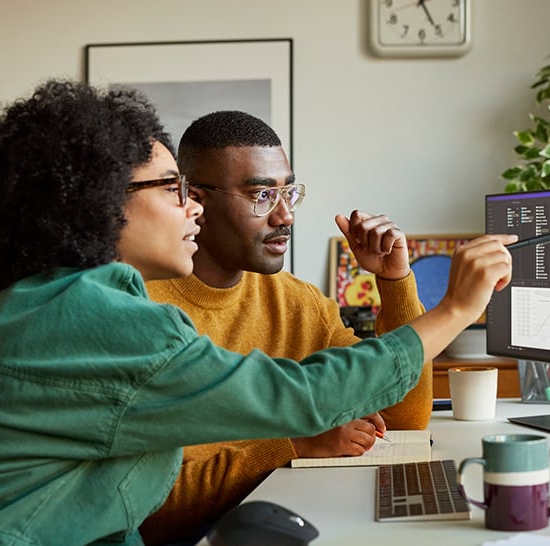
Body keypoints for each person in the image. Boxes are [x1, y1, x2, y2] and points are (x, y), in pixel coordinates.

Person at [0, 79, 515, 545]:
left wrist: (397, 284)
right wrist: (458, 307)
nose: (192, 210)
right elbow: (299, 401)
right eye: (174, 189)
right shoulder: (85, 317)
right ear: (100, 203)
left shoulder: (55, 303)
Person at [141, 110, 432, 543]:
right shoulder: (139, 311)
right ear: (196, 202)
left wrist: (394, 282)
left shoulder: (297, 301)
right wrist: (294, 445)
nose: (286, 217)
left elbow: (403, 416)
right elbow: (149, 506)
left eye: (289, 194)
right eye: (261, 196)